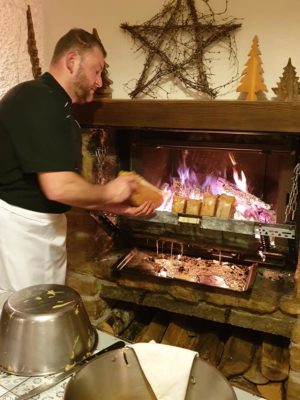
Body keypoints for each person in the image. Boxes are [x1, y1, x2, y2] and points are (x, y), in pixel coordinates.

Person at [0, 28, 155, 298]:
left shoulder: (56, 107)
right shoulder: (37, 99)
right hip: (20, 233)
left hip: (42, 228)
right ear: (72, 61)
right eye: (96, 71)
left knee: (48, 311)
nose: (99, 81)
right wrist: (111, 190)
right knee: (26, 321)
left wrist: (116, 207)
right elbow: (58, 187)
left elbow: (63, 187)